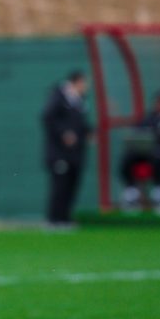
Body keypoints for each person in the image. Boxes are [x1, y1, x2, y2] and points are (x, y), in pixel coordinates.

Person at [41, 71, 92, 226]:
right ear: (76, 82)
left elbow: (79, 123)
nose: (86, 87)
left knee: (71, 186)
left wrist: (88, 132)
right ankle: (54, 219)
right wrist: (64, 133)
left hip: (75, 155)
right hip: (59, 154)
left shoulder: (79, 101)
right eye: (84, 83)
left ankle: (65, 218)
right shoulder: (59, 96)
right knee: (60, 187)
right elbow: (47, 117)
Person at [118, 91, 160, 208]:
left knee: (159, 156)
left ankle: (158, 193)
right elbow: (138, 132)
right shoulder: (149, 118)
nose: (159, 104)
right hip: (144, 153)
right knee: (128, 157)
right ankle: (131, 192)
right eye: (158, 101)